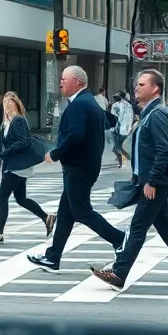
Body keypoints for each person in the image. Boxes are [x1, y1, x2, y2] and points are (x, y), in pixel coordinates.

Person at [91, 69, 168, 289]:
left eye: (142, 85)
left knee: (138, 226)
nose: (136, 87)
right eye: (137, 84)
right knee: (163, 224)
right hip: (154, 179)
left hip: (158, 180)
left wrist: (152, 181)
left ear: (155, 88)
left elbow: (163, 150)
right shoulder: (149, 113)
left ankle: (119, 273)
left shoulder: (158, 114)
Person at [27, 65, 125, 271]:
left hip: (79, 166)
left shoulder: (79, 104)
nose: (61, 83)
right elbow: (109, 121)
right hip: (85, 165)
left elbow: (76, 135)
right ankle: (53, 258)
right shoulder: (89, 102)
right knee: (65, 213)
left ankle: (119, 239)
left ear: (78, 82)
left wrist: (55, 153)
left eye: (64, 79)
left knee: (81, 211)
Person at [0, 91, 52, 244]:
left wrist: (3, 156)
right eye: (5, 101)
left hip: (17, 167)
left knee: (2, 197)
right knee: (21, 199)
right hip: (14, 166)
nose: (7, 104)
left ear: (16, 103)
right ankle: (47, 217)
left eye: (11, 101)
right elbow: (0, 146)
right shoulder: (7, 123)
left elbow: (23, 142)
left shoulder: (19, 121)